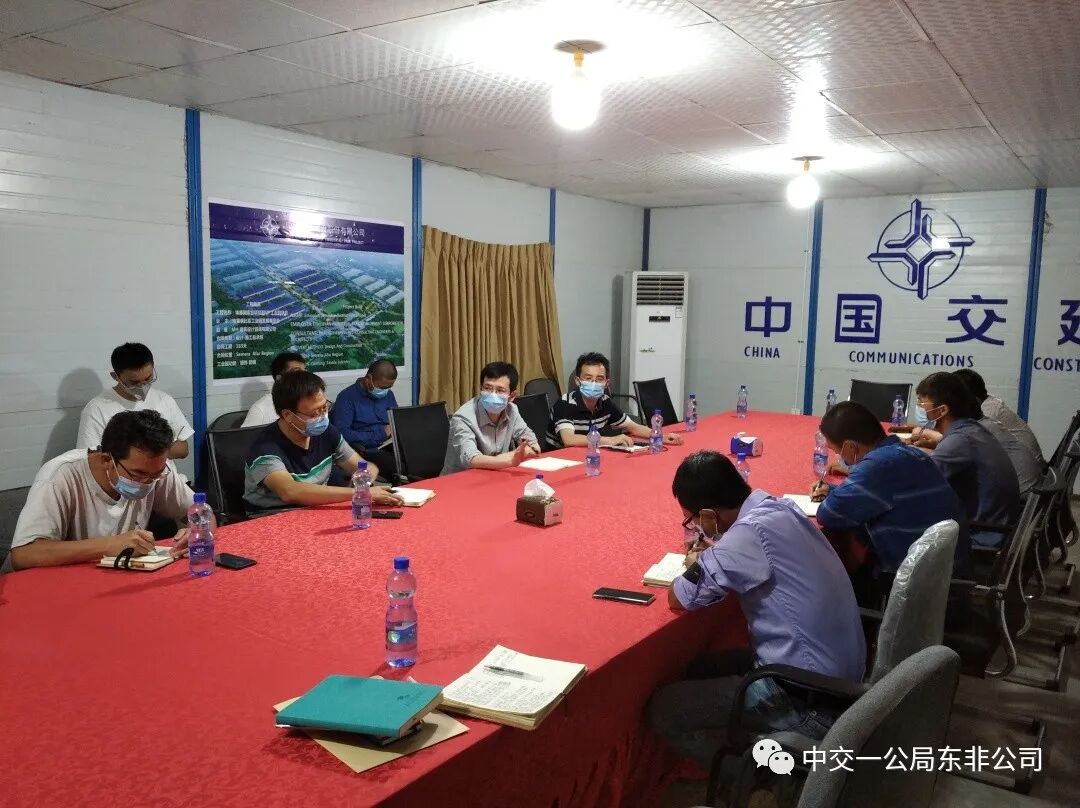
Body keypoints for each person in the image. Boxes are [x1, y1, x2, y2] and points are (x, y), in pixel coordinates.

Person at [646, 451, 866, 772]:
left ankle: (746, 778)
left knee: (664, 709)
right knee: (700, 667)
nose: (696, 527)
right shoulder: (781, 508)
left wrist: (699, 561)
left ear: (708, 515)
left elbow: (679, 596)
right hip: (843, 678)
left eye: (693, 520)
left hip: (806, 699)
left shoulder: (744, 540)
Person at [811, 401, 971, 602]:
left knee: (828, 581)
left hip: (917, 589)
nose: (838, 456)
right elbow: (883, 493)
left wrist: (835, 495)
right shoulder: (906, 452)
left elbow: (828, 514)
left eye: (836, 450)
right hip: (950, 572)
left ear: (850, 447)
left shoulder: (878, 466)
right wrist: (833, 490)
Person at [9, 410, 201, 571]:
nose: (148, 483)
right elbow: (23, 555)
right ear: (106, 460)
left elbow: (201, 512)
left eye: (156, 475)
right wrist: (109, 545)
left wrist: (196, 532)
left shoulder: (155, 470)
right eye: (138, 474)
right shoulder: (60, 476)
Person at [243, 370, 403, 512]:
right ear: (288, 415)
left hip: (314, 511)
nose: (322, 417)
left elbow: (364, 467)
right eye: (314, 413)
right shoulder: (265, 447)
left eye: (324, 408)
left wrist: (364, 479)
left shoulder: (326, 432)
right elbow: (289, 491)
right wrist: (359, 493)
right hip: (270, 517)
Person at [910, 372, 1021, 547]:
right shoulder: (971, 430)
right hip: (996, 527)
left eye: (922, 404)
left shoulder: (959, 441)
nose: (920, 408)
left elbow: (917, 485)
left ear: (942, 410)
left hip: (981, 535)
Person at [77, 342, 193, 460]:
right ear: (115, 376)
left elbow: (183, 449)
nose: (143, 386)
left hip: (163, 472)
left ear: (153, 368)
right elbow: (89, 459)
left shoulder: (164, 400)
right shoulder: (96, 409)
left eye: (148, 378)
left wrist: (150, 452)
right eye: (134, 383)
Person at [549, 352, 684, 448]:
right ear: (578, 381)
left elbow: (633, 427)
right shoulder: (565, 403)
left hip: (589, 454)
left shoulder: (605, 401)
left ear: (606, 383)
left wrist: (659, 436)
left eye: (599, 379)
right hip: (558, 458)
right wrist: (610, 440)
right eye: (588, 378)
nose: (594, 383)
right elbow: (569, 439)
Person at [441, 361, 541, 475]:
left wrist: (530, 448)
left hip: (495, 474)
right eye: (487, 388)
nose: (493, 394)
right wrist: (509, 459)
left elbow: (529, 440)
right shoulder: (462, 418)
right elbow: (471, 459)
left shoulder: (512, 410)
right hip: (460, 479)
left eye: (500, 390)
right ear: (481, 389)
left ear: (512, 396)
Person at [954, 369, 1044, 494]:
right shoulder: (989, 404)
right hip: (1029, 478)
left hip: (1023, 488)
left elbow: (959, 448)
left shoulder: (987, 413)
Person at [331, 358, 399, 477]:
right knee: (398, 468)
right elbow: (341, 434)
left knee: (418, 458)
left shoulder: (388, 394)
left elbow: (396, 418)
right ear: (368, 378)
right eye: (382, 387)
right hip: (367, 450)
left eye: (389, 387)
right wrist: (381, 433)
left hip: (390, 444)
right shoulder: (346, 398)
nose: (385, 391)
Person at [241, 351, 306, 428]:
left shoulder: (310, 402)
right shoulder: (260, 409)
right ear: (279, 378)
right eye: (297, 372)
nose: (304, 377)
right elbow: (246, 436)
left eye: (304, 372)